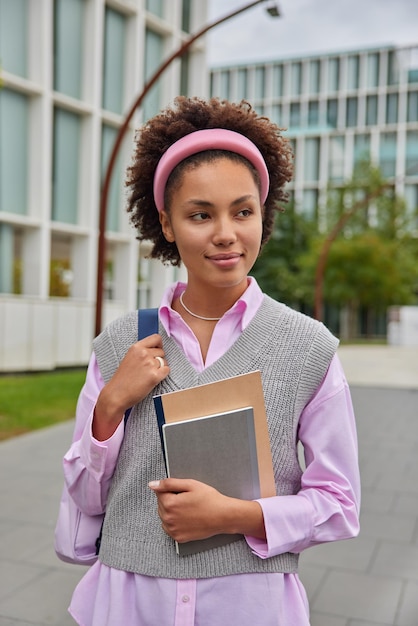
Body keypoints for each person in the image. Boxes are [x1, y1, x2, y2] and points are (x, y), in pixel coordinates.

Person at [62, 96, 360, 626]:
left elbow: (339, 503)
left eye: (242, 211)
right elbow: (86, 494)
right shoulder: (121, 344)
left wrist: (235, 516)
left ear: (261, 218)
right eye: (201, 214)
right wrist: (108, 409)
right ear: (168, 224)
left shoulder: (308, 348)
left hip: (249, 605)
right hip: (129, 602)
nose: (225, 232)